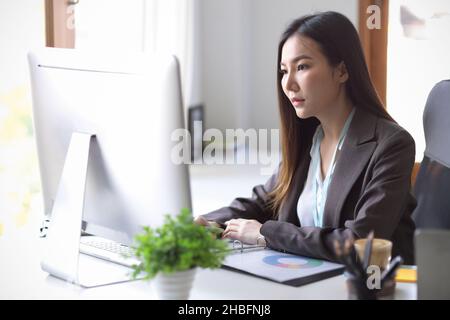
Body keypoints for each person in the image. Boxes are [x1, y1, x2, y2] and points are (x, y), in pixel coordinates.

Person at [196, 11, 416, 264]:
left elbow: (360, 243)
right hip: (313, 281)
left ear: (342, 71)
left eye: (302, 67)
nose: (288, 84)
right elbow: (262, 202)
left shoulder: (391, 144)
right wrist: (208, 223)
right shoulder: (309, 139)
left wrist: (266, 233)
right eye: (283, 70)